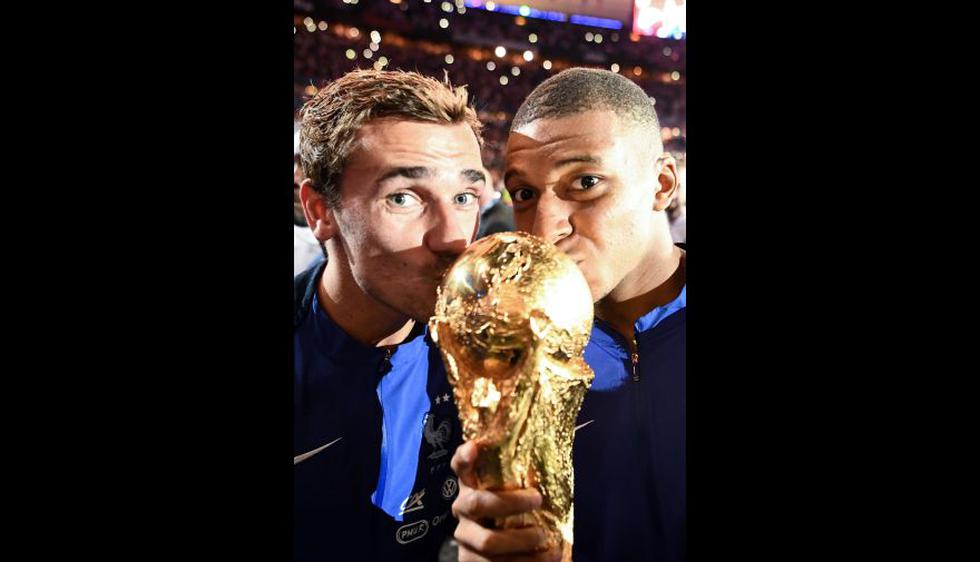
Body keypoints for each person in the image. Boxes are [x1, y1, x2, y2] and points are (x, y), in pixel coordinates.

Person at [450, 67, 687, 562]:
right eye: (525, 194)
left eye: (584, 182)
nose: (545, 227)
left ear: (661, 185)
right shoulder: (505, 349)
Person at [294, 69, 488, 562]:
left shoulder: (489, 348)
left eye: (464, 197)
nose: (454, 238)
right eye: (403, 198)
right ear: (320, 210)